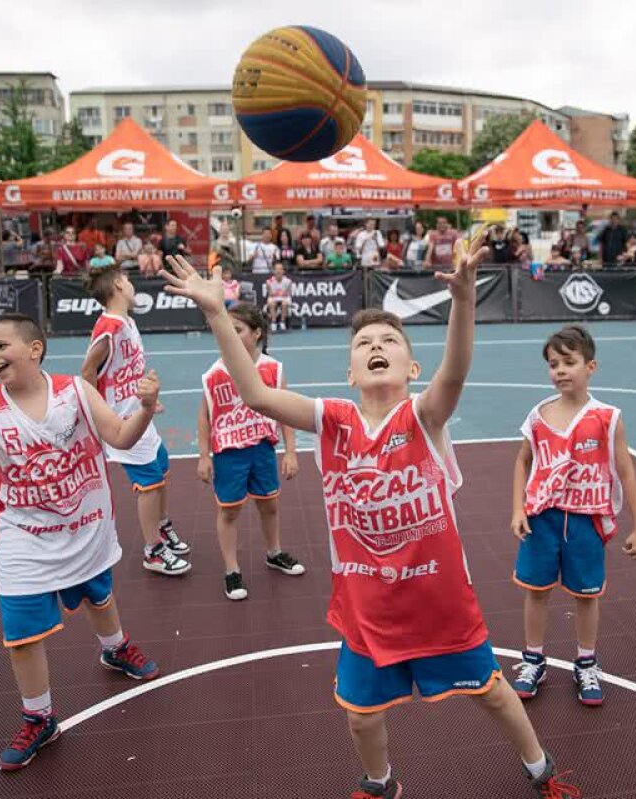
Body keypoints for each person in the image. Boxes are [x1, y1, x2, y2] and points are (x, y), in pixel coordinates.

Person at [159, 234, 581, 799]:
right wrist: (216, 312)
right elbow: (257, 395)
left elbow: (453, 375)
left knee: (492, 693)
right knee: (360, 714)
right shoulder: (332, 420)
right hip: (367, 605)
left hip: (438, 601)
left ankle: (540, 770)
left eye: (388, 339)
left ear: (412, 366)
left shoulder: (423, 416)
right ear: (351, 372)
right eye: (363, 343)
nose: (375, 345)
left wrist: (460, 302)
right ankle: (380, 783)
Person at [0, 313, 161, 771]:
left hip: (85, 523)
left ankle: (114, 647)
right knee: (21, 637)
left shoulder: (76, 391)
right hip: (22, 538)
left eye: (0, 346)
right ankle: (39, 716)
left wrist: (147, 408)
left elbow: (119, 435)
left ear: (35, 350)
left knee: (98, 594)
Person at [510, 325, 636, 705]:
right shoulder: (537, 415)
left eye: (569, 362)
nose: (560, 370)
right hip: (542, 519)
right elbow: (522, 462)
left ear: (591, 366)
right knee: (536, 592)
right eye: (553, 364)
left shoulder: (607, 417)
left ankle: (586, 662)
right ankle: (532, 659)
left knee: (586, 596)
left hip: (586, 520)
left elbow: (626, 471)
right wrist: (518, 508)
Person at [81, 267, 191, 576]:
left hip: (139, 413)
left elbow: (125, 370)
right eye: (127, 279)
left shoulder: (126, 322)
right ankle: (153, 550)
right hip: (122, 421)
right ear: (118, 284)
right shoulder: (109, 327)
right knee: (149, 484)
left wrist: (146, 399)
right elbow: (88, 371)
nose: (131, 284)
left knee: (162, 467)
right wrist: (102, 414)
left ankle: (162, 525)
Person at [194, 302, 305, 601]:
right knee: (229, 510)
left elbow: (285, 410)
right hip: (229, 453)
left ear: (257, 333)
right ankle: (232, 570)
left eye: (238, 329)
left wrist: (291, 451)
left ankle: (274, 552)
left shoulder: (272, 368)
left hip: (262, 450)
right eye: (227, 329)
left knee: (269, 505)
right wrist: (204, 456)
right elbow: (204, 416)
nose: (230, 334)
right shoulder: (213, 373)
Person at [265, 262, 293, 331]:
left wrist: (279, 293)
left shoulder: (288, 281)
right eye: (277, 269)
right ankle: (274, 322)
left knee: (285, 303)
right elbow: (271, 293)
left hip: (285, 298)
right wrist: (279, 293)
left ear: (283, 271)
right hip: (273, 298)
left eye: (280, 269)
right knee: (272, 303)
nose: (278, 271)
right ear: (274, 271)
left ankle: (282, 322)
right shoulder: (269, 281)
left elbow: (287, 293)